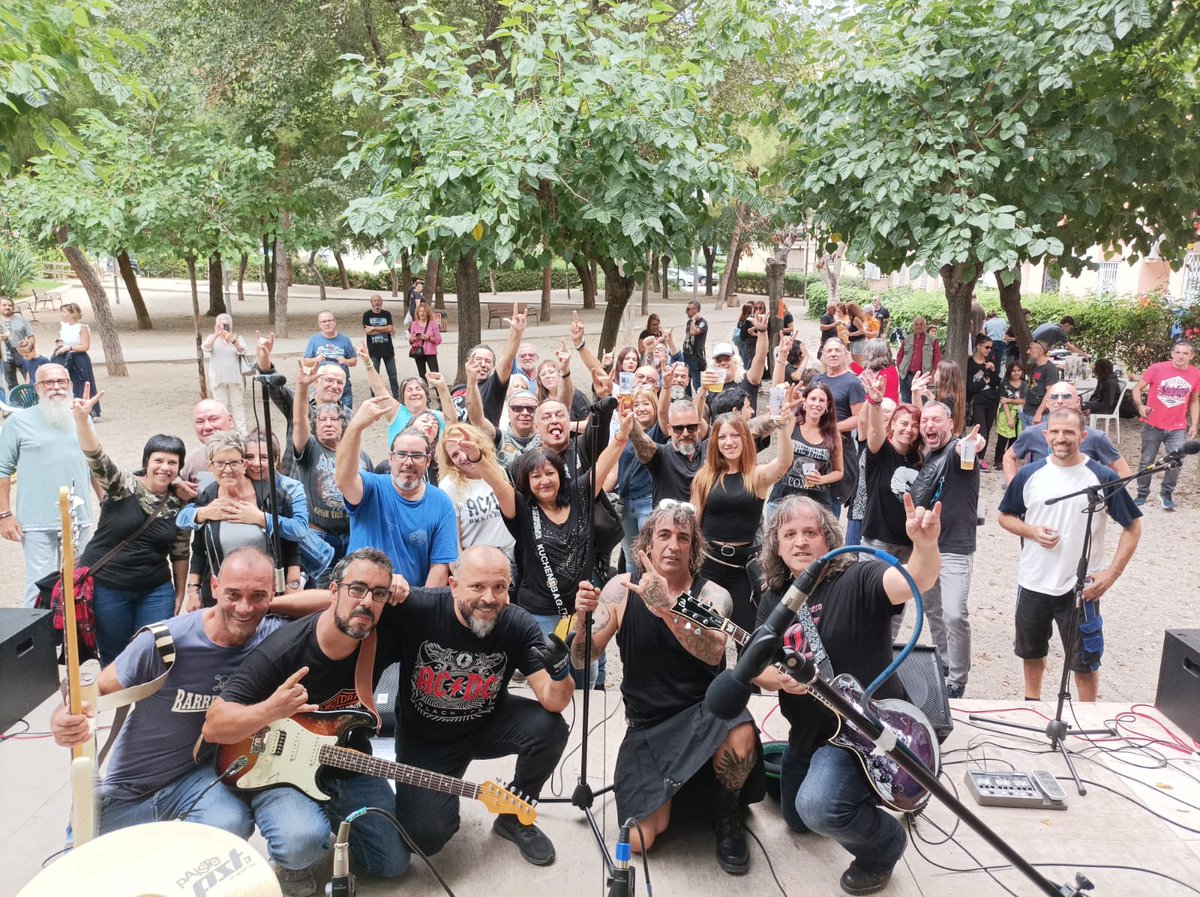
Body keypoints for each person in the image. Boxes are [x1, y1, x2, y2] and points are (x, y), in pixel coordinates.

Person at [50, 548, 334, 897]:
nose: (244, 607)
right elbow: (89, 696)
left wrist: (264, 606)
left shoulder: (271, 633)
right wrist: (64, 718)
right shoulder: (163, 641)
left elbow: (332, 605)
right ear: (214, 586)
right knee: (74, 874)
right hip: (134, 784)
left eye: (257, 595)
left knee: (227, 829)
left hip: (202, 778)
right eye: (233, 594)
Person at [755, 494, 941, 895]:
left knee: (819, 809)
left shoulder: (856, 578)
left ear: (829, 539)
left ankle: (884, 845)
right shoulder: (774, 599)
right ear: (777, 544)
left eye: (810, 532)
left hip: (864, 731)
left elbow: (914, 579)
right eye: (790, 534)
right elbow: (757, 665)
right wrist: (778, 680)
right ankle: (864, 791)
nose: (800, 541)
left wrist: (925, 546)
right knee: (797, 820)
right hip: (807, 735)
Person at [203, 549, 413, 890]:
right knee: (300, 841)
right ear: (333, 591)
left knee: (392, 864)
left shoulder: (382, 634)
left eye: (378, 593)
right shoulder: (283, 650)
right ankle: (290, 858)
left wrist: (406, 587)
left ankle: (329, 815)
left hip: (347, 762)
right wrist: (271, 709)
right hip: (282, 768)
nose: (366, 602)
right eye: (356, 589)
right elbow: (214, 725)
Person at [573, 503, 764, 875]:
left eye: (683, 538)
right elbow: (583, 658)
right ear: (646, 542)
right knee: (640, 841)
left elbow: (711, 651)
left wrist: (667, 608)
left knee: (739, 732)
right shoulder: (621, 589)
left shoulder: (713, 595)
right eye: (663, 535)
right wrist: (581, 622)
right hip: (649, 725)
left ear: (694, 549)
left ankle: (727, 812)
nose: (672, 545)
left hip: (704, 713)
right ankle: (687, 793)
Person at [379, 546, 572, 864]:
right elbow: (357, 610)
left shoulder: (517, 624)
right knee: (425, 838)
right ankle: (436, 801)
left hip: (487, 724)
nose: (488, 598)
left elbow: (554, 700)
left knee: (549, 729)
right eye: (477, 586)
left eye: (499, 587)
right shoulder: (419, 609)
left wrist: (562, 671)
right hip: (425, 739)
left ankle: (513, 816)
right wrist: (385, 586)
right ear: (454, 586)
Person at [998, 409, 1141, 702]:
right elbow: (1004, 516)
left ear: (1083, 436)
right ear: (1045, 434)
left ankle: (1088, 714)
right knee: (1031, 651)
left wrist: (1110, 575)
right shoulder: (1029, 474)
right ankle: (1032, 705)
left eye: (1069, 433)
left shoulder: (1101, 478)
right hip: (1033, 582)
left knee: (1084, 660)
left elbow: (1133, 527)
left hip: (1080, 588)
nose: (1061, 439)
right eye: (1055, 432)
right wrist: (1031, 531)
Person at [72, 388, 189, 664]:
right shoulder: (123, 485)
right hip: (109, 587)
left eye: (172, 462)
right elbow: (97, 458)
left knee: (155, 653)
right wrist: (81, 420)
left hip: (156, 589)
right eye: (158, 460)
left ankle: (148, 706)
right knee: (115, 656)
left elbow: (181, 551)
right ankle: (119, 706)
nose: (165, 467)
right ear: (146, 462)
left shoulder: (178, 501)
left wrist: (180, 591)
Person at [492, 420, 628, 638]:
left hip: (584, 607)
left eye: (549, 473)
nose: (544, 481)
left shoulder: (578, 494)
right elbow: (498, 485)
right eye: (535, 476)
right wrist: (479, 458)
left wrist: (621, 436)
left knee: (591, 668)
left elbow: (601, 467)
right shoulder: (522, 508)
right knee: (552, 670)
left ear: (560, 475)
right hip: (542, 613)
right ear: (526, 482)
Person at [336, 396, 458, 586]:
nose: (408, 462)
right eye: (401, 454)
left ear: (428, 461)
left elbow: (440, 567)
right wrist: (356, 427)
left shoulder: (440, 502)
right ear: (390, 458)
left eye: (417, 456)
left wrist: (421, 607)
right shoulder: (371, 488)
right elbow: (344, 479)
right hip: (359, 597)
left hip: (412, 602)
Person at [0, 364, 95, 607]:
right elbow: (2, 470)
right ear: (37, 388)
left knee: (80, 583)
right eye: (48, 382)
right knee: (39, 586)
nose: (55, 387)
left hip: (79, 519)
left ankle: (78, 642)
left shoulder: (82, 418)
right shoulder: (18, 422)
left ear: (70, 385)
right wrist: (4, 515)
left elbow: (94, 462)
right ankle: (39, 643)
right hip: (36, 521)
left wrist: (107, 501)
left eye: (61, 381)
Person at [692, 412, 795, 633]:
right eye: (722, 437)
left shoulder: (756, 476)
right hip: (709, 564)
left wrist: (783, 428)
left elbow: (783, 463)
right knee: (704, 634)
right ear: (715, 442)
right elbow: (693, 525)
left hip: (744, 569)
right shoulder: (704, 477)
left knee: (748, 636)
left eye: (735, 435)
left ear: (745, 439)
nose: (729, 442)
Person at [911, 403, 984, 698]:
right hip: (927, 547)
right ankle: (943, 664)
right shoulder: (929, 457)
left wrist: (972, 444)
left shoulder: (957, 452)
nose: (929, 425)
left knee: (954, 613)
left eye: (936, 420)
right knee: (933, 611)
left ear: (950, 424)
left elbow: (966, 450)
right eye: (924, 420)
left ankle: (957, 679)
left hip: (955, 546)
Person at [184, 431, 302, 609]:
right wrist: (193, 591)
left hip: (267, 595)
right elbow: (199, 550)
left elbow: (292, 546)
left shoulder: (271, 496)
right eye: (220, 463)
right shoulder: (207, 498)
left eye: (233, 462)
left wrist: (292, 586)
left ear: (244, 464)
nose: (227, 469)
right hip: (223, 598)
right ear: (210, 466)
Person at [291, 363, 371, 576]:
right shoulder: (310, 449)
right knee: (322, 596)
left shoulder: (360, 456)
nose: (328, 423)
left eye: (334, 419)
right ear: (315, 426)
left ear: (343, 424)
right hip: (319, 537)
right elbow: (299, 423)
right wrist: (301, 388)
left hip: (354, 536)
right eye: (321, 420)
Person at [1003, 382, 1131, 483]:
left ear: (1077, 402)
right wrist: (1014, 488)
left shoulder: (1096, 437)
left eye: (1066, 396)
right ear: (1047, 404)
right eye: (1054, 396)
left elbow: (1124, 471)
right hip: (1040, 504)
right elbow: (1009, 457)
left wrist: (1108, 499)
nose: (1059, 400)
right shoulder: (1031, 433)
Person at [1131, 339, 1200, 511]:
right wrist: (1140, 405)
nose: (1181, 356)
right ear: (1172, 353)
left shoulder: (1196, 374)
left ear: (1192, 356)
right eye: (1177, 352)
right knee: (1147, 460)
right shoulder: (1157, 368)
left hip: (1177, 426)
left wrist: (1194, 424)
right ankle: (1142, 493)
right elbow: (1137, 389)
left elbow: (1194, 401)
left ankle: (1166, 493)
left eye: (1185, 353)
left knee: (1177, 460)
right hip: (1152, 424)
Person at [860, 372, 922, 562]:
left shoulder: (919, 458)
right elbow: (874, 430)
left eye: (914, 426)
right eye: (903, 423)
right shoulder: (881, 451)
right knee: (872, 592)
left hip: (910, 544)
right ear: (893, 424)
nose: (908, 429)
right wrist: (876, 402)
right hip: (878, 542)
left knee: (906, 592)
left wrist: (916, 394)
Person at [435, 423, 517, 561]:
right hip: (477, 563)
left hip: (512, 559)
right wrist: (462, 573)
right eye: (455, 455)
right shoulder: (448, 487)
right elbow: (452, 543)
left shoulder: (498, 471)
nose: (463, 457)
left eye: (465, 447)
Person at [768, 384, 842, 512]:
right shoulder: (793, 423)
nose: (817, 404)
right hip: (782, 500)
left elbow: (839, 471)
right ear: (804, 402)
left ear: (827, 405)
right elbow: (780, 422)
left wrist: (822, 479)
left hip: (817, 506)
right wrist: (787, 407)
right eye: (813, 399)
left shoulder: (833, 434)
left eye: (822, 400)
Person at [630, 399, 707, 506]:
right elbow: (642, 443)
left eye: (691, 427)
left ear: (699, 427)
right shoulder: (661, 455)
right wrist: (630, 423)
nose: (685, 433)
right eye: (678, 428)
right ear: (669, 429)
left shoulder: (709, 450)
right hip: (669, 521)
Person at [201, 314, 248, 431]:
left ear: (230, 326)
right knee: (220, 407)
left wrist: (234, 341)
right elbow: (206, 348)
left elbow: (243, 350)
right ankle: (225, 432)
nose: (222, 327)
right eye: (219, 325)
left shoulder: (237, 338)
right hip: (218, 379)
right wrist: (216, 335)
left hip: (235, 378)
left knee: (238, 405)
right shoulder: (212, 338)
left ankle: (242, 432)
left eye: (225, 325)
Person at [55, 302, 100, 420]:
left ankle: (92, 411)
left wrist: (69, 348)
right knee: (70, 383)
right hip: (66, 358)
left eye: (64, 312)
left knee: (85, 383)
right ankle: (74, 409)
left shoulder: (82, 328)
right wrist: (60, 344)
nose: (62, 314)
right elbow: (64, 341)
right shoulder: (64, 326)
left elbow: (85, 346)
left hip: (79, 358)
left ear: (72, 313)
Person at [304, 312, 357, 409]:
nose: (327, 324)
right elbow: (306, 362)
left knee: (346, 418)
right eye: (324, 321)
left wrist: (346, 361)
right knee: (321, 417)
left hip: (343, 387)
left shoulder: (345, 340)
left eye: (329, 320)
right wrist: (316, 359)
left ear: (335, 322)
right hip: (322, 387)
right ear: (319, 324)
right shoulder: (314, 340)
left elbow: (354, 361)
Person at [178, 399, 236, 490]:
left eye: (213, 419)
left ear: (230, 420)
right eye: (200, 421)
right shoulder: (193, 461)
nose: (207, 427)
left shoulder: (251, 454)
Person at [966, 333, 1000, 452]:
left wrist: (993, 370)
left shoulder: (990, 362)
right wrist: (984, 382)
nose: (989, 350)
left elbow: (996, 383)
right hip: (977, 402)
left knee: (988, 430)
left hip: (992, 400)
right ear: (978, 346)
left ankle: (981, 459)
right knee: (981, 431)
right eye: (987, 347)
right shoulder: (969, 363)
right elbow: (969, 386)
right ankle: (976, 457)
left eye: (990, 347)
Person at [362, 293, 399, 399]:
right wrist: (383, 328)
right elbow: (368, 331)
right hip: (373, 351)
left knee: (393, 375)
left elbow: (390, 329)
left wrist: (374, 328)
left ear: (381, 302)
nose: (377, 302)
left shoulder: (387, 314)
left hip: (388, 350)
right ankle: (375, 398)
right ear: (371, 302)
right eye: (375, 300)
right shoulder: (367, 315)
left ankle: (397, 397)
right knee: (374, 375)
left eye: (379, 300)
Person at [895, 316, 941, 403]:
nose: (919, 326)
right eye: (916, 324)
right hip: (905, 376)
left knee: (921, 402)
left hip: (922, 377)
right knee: (906, 403)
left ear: (925, 327)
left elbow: (937, 360)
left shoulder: (932, 340)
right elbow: (899, 356)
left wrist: (932, 374)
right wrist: (901, 371)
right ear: (913, 326)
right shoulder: (907, 339)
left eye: (921, 324)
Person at [994, 359, 1027, 466]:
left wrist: (1010, 400)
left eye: (1019, 370)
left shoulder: (1024, 384)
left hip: (1020, 413)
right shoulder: (1004, 383)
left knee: (1015, 438)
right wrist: (1009, 418)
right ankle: (998, 460)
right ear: (1009, 371)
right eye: (1014, 371)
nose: (1016, 373)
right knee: (1002, 438)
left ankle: (1009, 459)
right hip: (1006, 413)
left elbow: (1025, 401)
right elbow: (1003, 401)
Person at [1022, 339, 1059, 428]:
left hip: (1041, 415)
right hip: (1027, 411)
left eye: (1031, 349)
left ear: (1041, 351)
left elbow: (1050, 393)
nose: (1028, 352)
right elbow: (1031, 386)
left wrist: (1039, 413)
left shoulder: (1050, 369)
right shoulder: (1034, 366)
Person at [0, 296, 33, 390]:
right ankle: (16, 403)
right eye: (4, 305)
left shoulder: (22, 321)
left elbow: (31, 336)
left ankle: (32, 401)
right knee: (11, 384)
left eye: (10, 305)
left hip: (22, 355)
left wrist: (29, 348)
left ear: (13, 308)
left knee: (30, 380)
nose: (7, 307)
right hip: (5, 358)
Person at [407, 302, 442, 380]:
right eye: (420, 311)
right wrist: (414, 338)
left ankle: (439, 392)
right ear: (417, 313)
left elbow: (438, 340)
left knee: (435, 375)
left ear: (428, 313)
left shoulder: (433, 323)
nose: (422, 313)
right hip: (418, 352)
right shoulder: (414, 324)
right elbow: (411, 339)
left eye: (424, 311)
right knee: (422, 376)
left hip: (430, 353)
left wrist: (428, 338)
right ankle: (425, 391)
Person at [682, 299, 709, 390]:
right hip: (686, 355)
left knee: (696, 382)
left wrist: (693, 320)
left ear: (696, 310)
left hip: (695, 357)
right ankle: (688, 399)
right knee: (686, 380)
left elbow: (694, 332)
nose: (687, 311)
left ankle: (701, 401)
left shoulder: (702, 322)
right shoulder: (689, 322)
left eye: (689, 309)